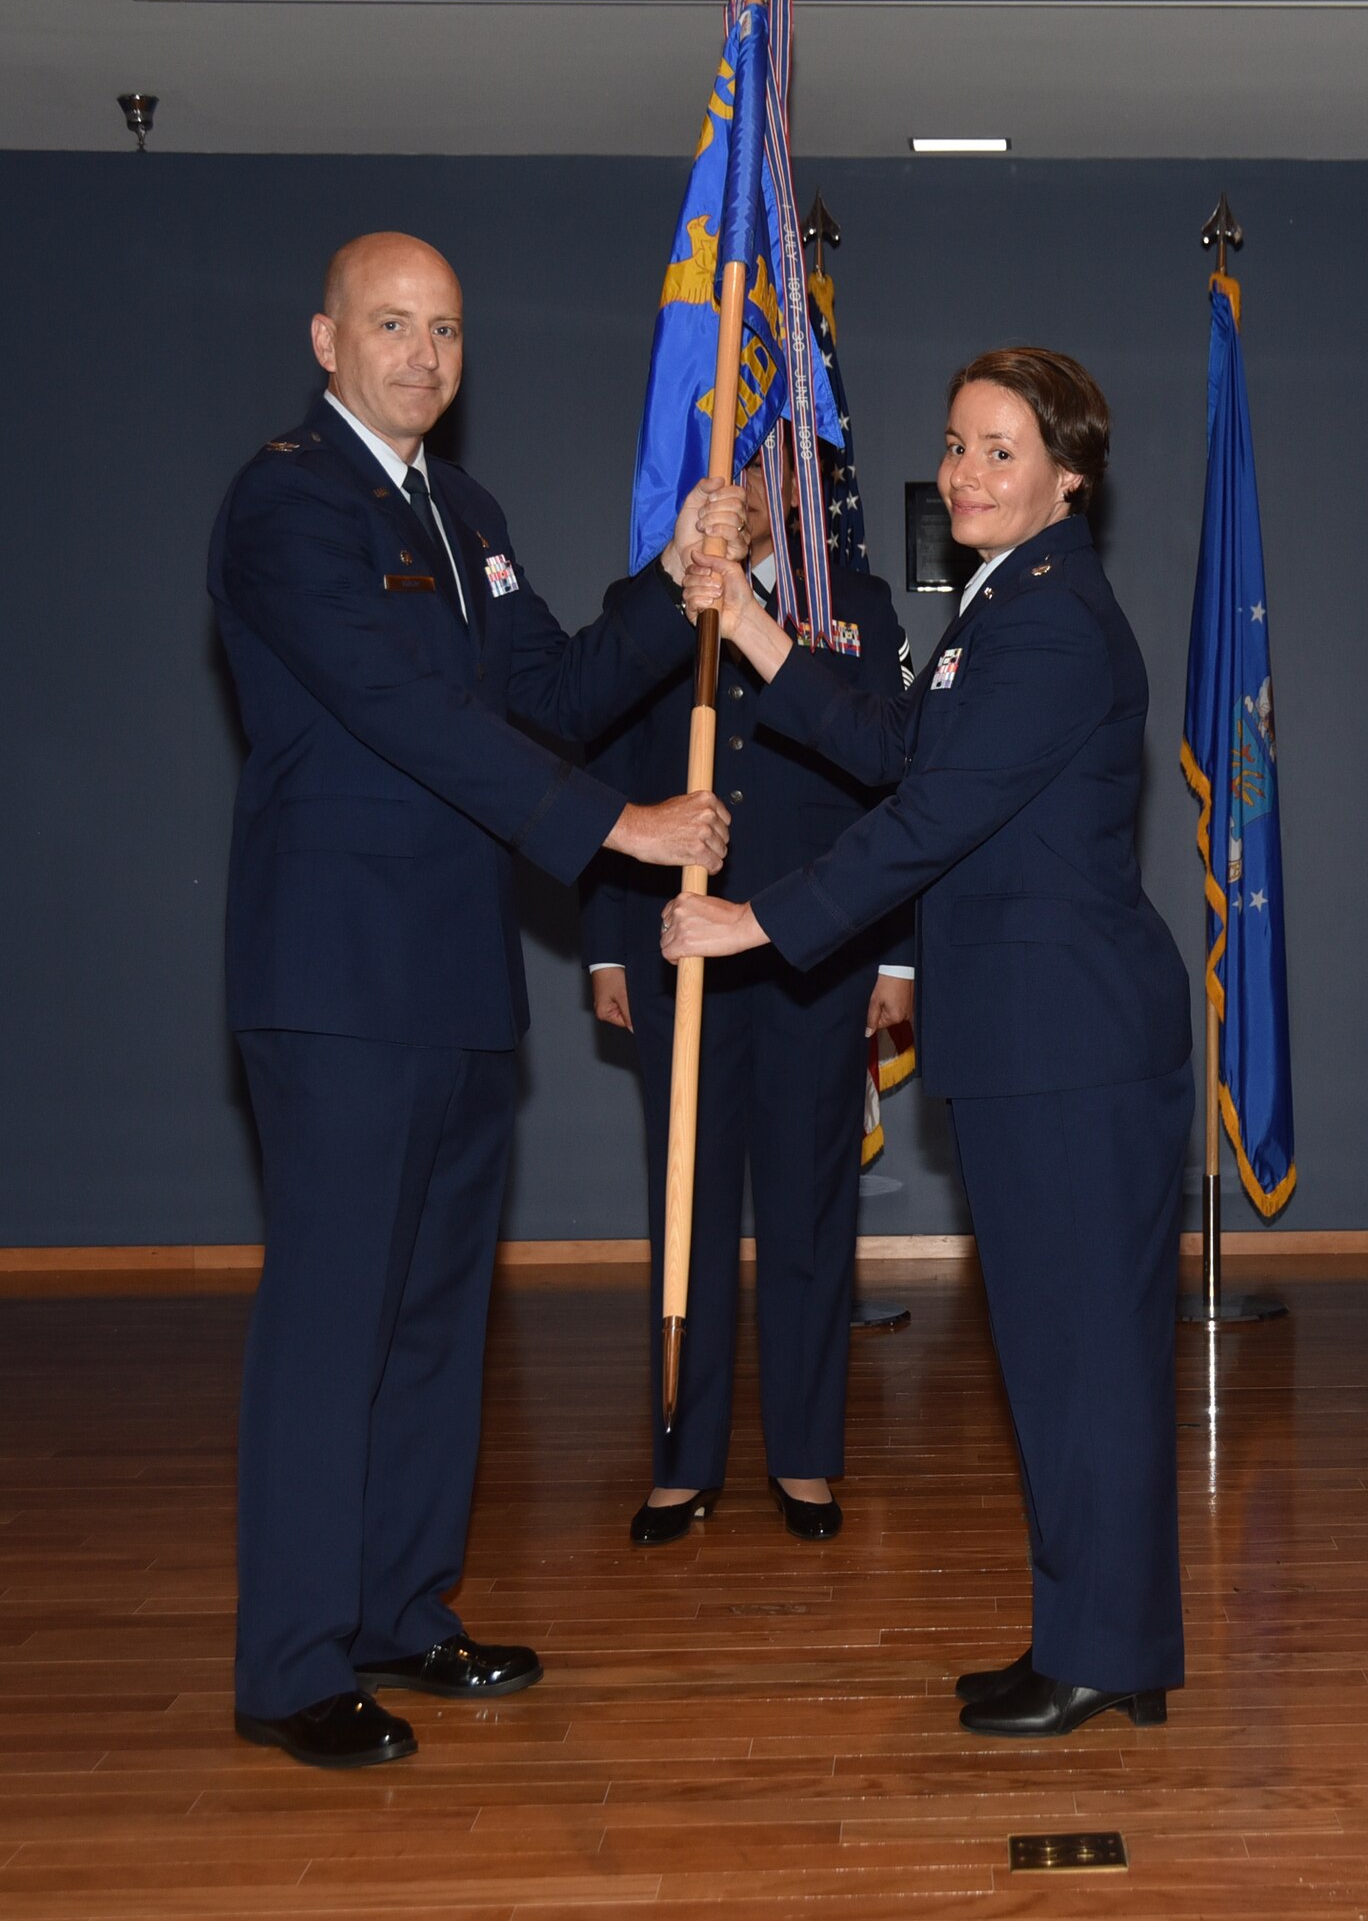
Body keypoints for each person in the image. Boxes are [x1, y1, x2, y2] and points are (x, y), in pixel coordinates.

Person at [209, 230, 742, 1770]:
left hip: (450, 979)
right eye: (391, 325)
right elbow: (407, 715)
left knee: (437, 1324)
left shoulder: (468, 512)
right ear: (327, 340)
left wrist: (672, 583)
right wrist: (615, 830)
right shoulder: (286, 502)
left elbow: (555, 693)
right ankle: (295, 1663)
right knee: (332, 1329)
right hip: (335, 980)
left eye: (444, 331)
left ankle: (397, 1611)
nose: (422, 356)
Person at [663, 348, 1194, 1739]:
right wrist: (766, 629)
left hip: (1070, 1045)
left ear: (1068, 475)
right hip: (1036, 1042)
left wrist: (755, 925)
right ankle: (1097, 1639)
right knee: (1062, 1355)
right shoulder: (1001, 604)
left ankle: (1102, 1648)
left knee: (1083, 1357)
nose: (966, 471)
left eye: (1000, 450)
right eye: (957, 444)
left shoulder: (1054, 621)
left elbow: (925, 822)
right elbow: (902, 740)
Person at [581, 457, 913, 1544]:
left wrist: (898, 960)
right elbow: (604, 768)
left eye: (777, 473)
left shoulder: (852, 606)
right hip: (676, 942)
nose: (754, 491)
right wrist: (603, 949)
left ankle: (806, 1456)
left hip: (814, 954)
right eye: (736, 470)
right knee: (689, 1203)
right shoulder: (654, 597)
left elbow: (898, 792)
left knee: (810, 1208)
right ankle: (683, 1459)